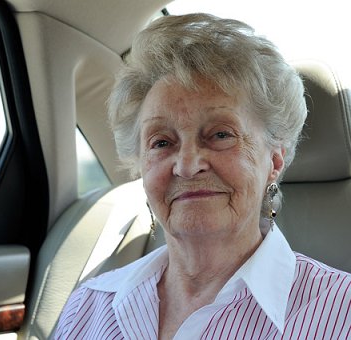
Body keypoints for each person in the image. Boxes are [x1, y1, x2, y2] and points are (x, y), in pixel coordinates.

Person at [55, 13, 351, 339]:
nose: (187, 165)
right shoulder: (88, 305)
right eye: (162, 142)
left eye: (221, 135)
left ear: (275, 160)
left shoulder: (342, 312)